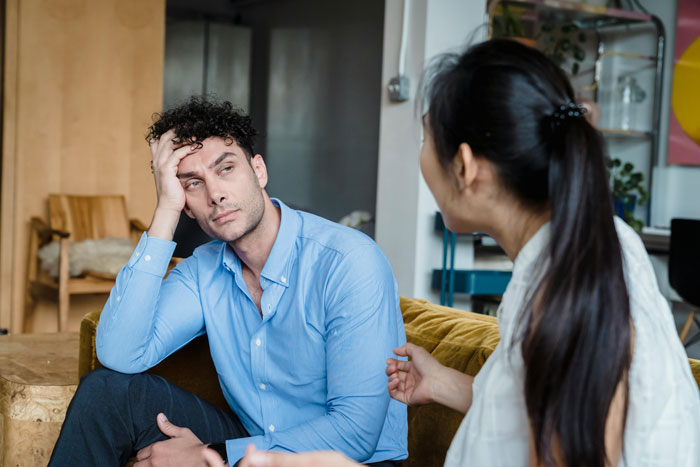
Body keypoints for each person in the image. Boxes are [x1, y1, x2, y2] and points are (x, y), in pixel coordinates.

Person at [235, 38, 700, 467]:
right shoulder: (597, 246)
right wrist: (446, 385)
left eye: (425, 139)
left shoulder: (561, 296)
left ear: (466, 166)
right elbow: (546, 407)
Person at [49, 98, 408, 467]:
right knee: (108, 392)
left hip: (347, 460)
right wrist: (165, 212)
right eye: (193, 184)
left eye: (226, 169)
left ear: (259, 170)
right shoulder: (204, 269)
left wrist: (211, 457)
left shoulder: (348, 261)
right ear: (187, 205)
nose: (215, 194)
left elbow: (356, 434)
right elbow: (120, 353)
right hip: (251, 442)